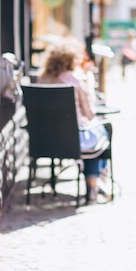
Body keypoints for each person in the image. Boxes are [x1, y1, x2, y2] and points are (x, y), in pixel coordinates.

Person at [37, 42, 110, 204]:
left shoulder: (42, 79)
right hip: (74, 140)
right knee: (101, 136)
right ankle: (93, 185)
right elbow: (90, 114)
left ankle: (95, 184)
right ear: (72, 60)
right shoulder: (77, 80)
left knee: (95, 137)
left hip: (44, 141)